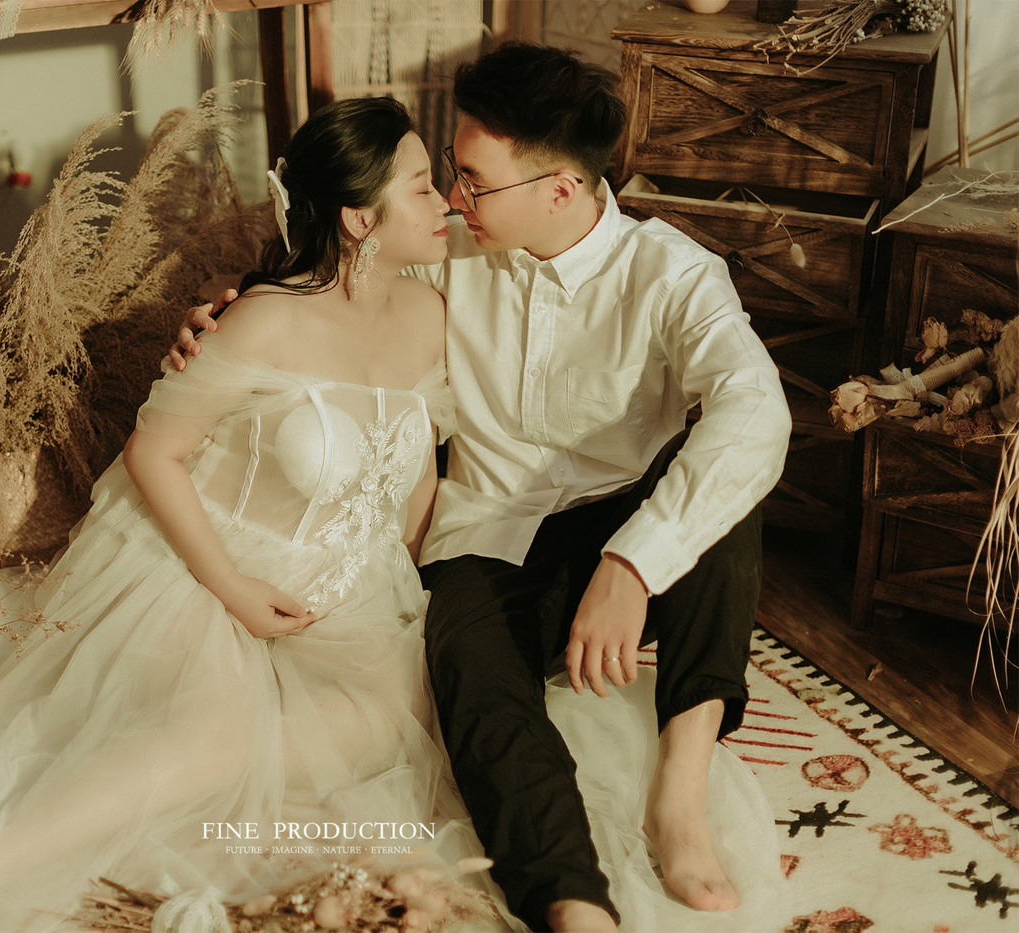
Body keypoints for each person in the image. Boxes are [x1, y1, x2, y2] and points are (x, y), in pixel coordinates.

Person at [0, 97, 512, 932]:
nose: (445, 202)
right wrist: (235, 590)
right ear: (359, 219)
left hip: (352, 600)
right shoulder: (263, 321)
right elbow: (155, 454)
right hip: (207, 573)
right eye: (421, 187)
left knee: (374, 744)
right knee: (213, 743)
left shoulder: (431, 314)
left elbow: (414, 471)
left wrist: (402, 580)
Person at [173, 43, 793, 933]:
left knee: (730, 478)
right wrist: (225, 304)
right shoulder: (450, 251)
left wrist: (633, 563)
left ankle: (680, 793)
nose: (455, 199)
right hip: (490, 535)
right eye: (451, 174)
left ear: (561, 190)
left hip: (624, 542)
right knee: (469, 677)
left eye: (474, 181)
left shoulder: (671, 273)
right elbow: (327, 283)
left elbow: (757, 409)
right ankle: (572, 902)